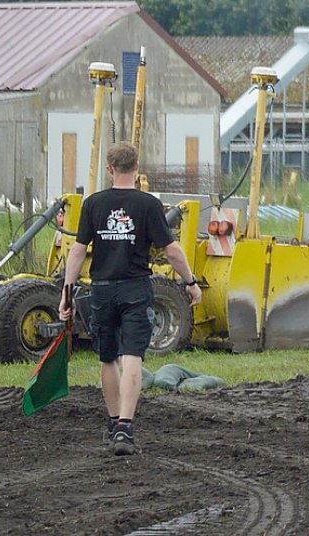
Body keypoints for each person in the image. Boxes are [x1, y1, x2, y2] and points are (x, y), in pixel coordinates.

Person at [58, 142, 202, 456]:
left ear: (110, 169)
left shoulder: (93, 204)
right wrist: (191, 282)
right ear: (137, 168)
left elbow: (78, 251)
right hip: (136, 288)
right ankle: (125, 426)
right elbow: (173, 251)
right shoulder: (148, 204)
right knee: (132, 356)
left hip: (103, 290)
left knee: (108, 357)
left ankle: (113, 423)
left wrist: (66, 294)